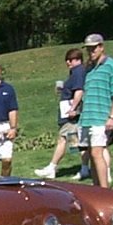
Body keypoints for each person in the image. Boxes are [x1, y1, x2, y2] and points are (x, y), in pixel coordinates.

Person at [79, 34, 113, 188]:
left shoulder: (112, 65)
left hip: (102, 116)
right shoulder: (89, 68)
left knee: (97, 153)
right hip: (87, 117)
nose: (91, 51)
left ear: (101, 47)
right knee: (91, 155)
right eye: (88, 49)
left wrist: (112, 116)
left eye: (93, 48)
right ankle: (96, 188)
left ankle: (104, 191)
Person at [35, 48, 87, 179]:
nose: (68, 62)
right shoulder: (75, 72)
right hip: (68, 111)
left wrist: (73, 108)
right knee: (77, 141)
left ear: (78, 60)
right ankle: (85, 168)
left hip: (70, 113)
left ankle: (52, 167)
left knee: (63, 139)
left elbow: (79, 91)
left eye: (70, 60)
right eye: (67, 60)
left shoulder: (78, 72)